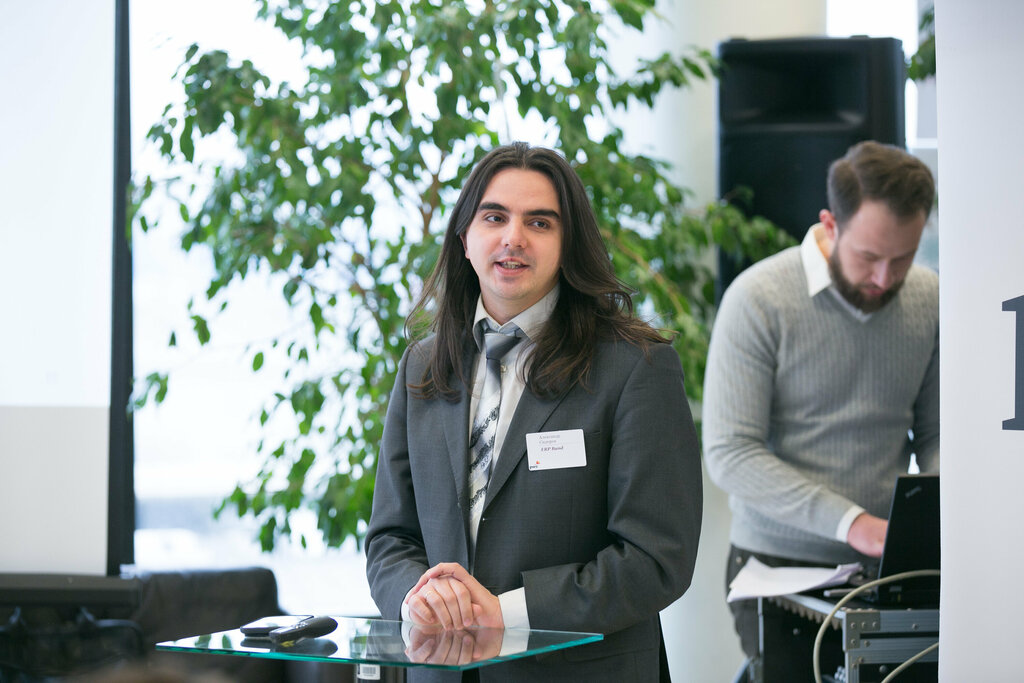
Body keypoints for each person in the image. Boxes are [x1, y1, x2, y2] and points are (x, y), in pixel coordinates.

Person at [364, 142, 703, 681]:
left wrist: (505, 614)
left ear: (568, 245)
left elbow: (657, 558)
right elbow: (390, 538)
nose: (513, 238)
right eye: (494, 217)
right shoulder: (423, 366)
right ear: (465, 238)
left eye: (540, 222)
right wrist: (417, 598)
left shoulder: (635, 366)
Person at [702, 140, 939, 660]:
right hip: (776, 567)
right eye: (869, 257)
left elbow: (937, 434)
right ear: (830, 224)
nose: (884, 279)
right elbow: (730, 453)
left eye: (902, 258)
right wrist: (851, 522)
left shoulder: (930, 299)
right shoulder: (758, 299)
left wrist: (937, 513)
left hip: (889, 565)